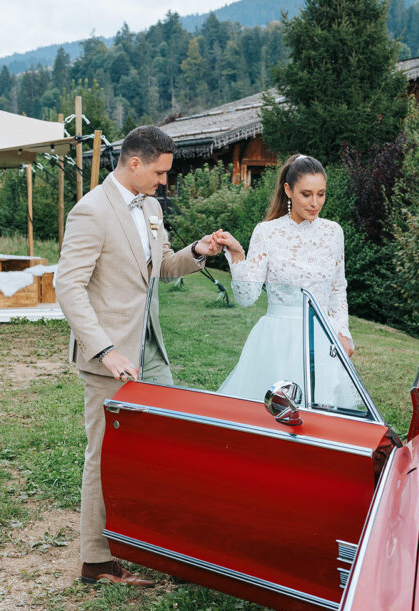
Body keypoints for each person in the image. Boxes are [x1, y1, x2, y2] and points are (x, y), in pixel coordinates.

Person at [56, 125, 225, 586]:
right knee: (106, 455)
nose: (164, 181)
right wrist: (105, 349)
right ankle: (97, 560)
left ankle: (163, 547)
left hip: (150, 348)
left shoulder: (149, 207)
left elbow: (163, 267)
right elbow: (67, 287)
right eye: (159, 171)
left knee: (164, 445)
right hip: (109, 357)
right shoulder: (90, 211)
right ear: (135, 163)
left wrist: (198, 251)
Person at [213, 154, 357, 406]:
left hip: (323, 337)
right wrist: (237, 255)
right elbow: (247, 298)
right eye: (306, 194)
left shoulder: (334, 232)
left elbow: (337, 288)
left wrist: (343, 332)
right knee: (274, 415)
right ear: (288, 190)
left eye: (321, 194)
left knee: (322, 417)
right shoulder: (267, 232)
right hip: (277, 340)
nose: (315, 203)